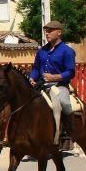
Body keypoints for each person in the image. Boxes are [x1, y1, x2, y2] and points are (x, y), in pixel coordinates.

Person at [30, 20, 76, 151]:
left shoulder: (67, 51)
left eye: (50, 31)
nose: (47, 33)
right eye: (46, 31)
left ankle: (67, 134)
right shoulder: (41, 51)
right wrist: (32, 78)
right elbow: (36, 68)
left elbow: (71, 72)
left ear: (59, 32)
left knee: (64, 103)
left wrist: (55, 77)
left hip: (60, 85)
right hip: (41, 85)